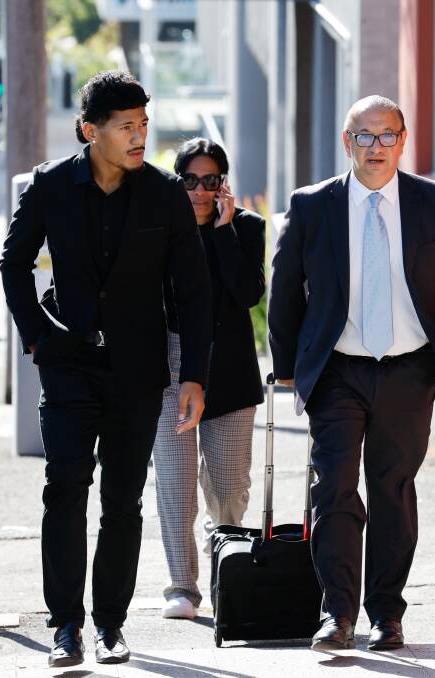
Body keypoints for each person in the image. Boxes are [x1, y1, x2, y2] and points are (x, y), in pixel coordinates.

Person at [268, 95, 435, 652]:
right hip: (338, 371)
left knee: (392, 491)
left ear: (403, 140)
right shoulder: (312, 204)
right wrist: (288, 369)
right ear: (347, 142)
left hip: (409, 370)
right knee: (336, 489)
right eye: (364, 137)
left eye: (387, 135)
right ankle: (338, 615)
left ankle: (386, 615)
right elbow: (284, 292)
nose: (376, 147)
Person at [0, 71, 212, 668]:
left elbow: (193, 289)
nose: (140, 136)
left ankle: (111, 625)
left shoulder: (166, 193)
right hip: (67, 363)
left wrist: (194, 374)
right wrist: (36, 338)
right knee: (64, 489)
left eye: (144, 124)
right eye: (127, 127)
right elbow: (13, 262)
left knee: (123, 500)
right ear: (92, 131)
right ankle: (65, 625)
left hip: (138, 370)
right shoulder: (49, 186)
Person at [153, 138, 266, 620]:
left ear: (224, 185)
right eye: (191, 180)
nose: (201, 190)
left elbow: (246, 293)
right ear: (178, 183)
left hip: (231, 369)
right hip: (171, 365)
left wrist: (222, 231)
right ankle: (183, 585)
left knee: (229, 483)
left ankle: (228, 569)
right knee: (176, 480)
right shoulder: (159, 230)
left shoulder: (247, 227)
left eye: (211, 180)